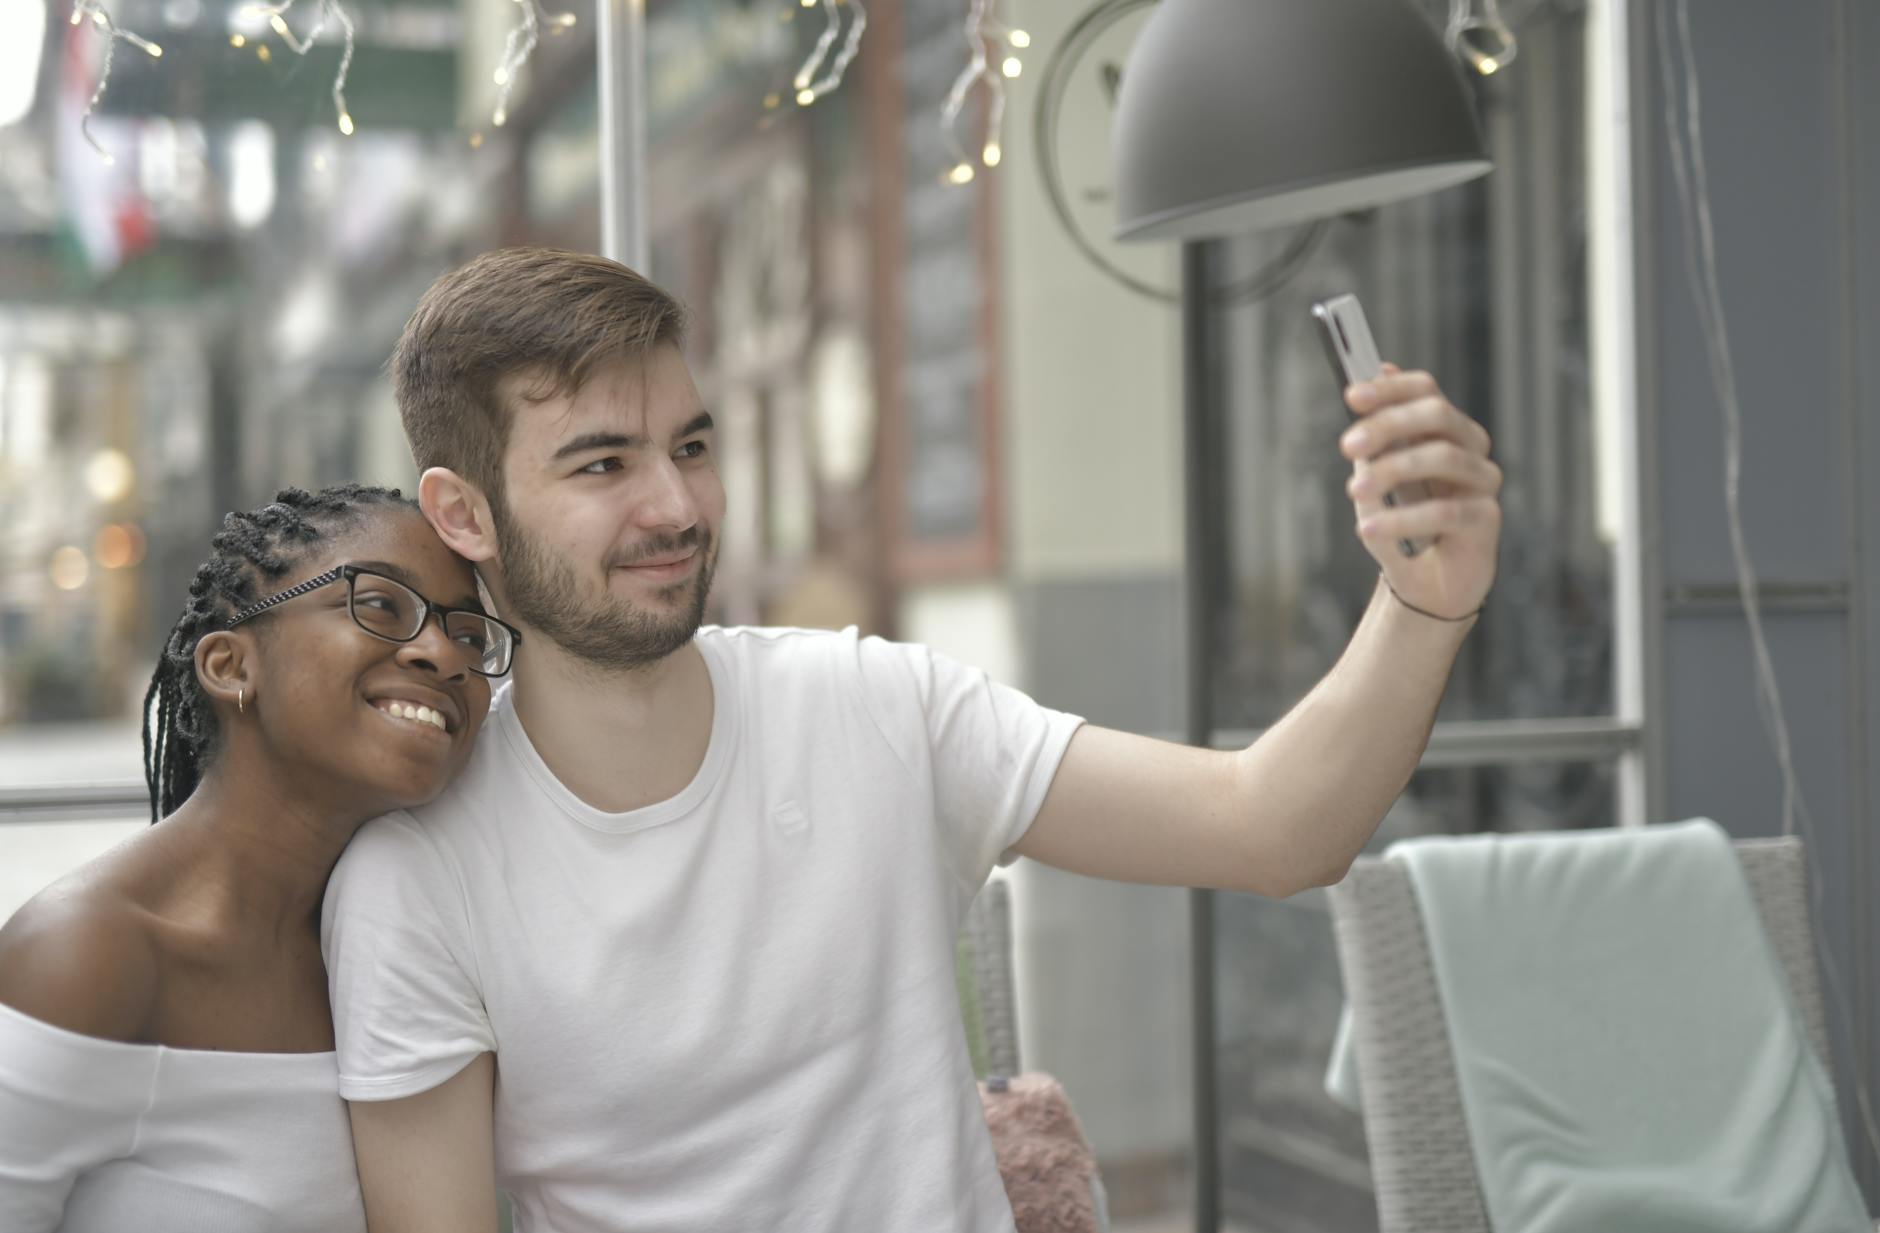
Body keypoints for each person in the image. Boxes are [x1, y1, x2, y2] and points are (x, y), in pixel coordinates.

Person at [325, 248, 1503, 1233]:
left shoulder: (870, 707)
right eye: (603, 464)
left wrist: (1424, 601)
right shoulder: (417, 879)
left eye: (690, 447)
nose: (677, 508)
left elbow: (1274, 828)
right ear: (462, 513)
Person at [0, 484, 521, 1232]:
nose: (443, 653)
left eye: (472, 637)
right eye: (378, 605)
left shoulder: (402, 951)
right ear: (228, 663)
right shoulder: (86, 957)